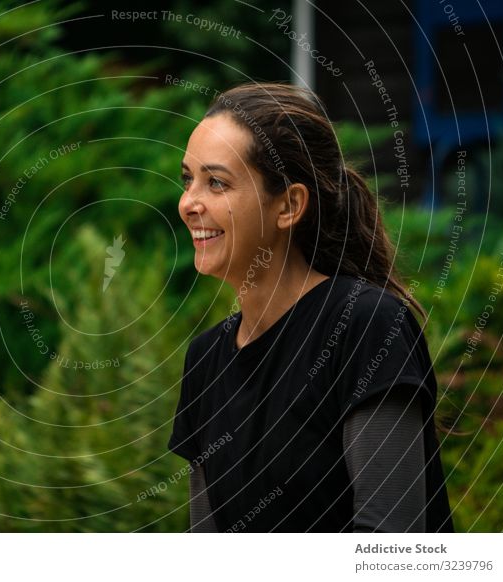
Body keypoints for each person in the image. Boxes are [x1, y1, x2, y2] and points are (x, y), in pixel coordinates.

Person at [167, 82, 454, 533]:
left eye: (216, 182)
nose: (188, 203)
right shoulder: (206, 362)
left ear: (289, 206)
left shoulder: (364, 327)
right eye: (189, 179)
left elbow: (391, 545)